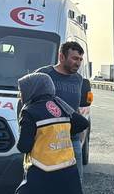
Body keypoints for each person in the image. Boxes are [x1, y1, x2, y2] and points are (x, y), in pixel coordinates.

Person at [36, 41, 86, 181]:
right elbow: (26, 103)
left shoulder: (78, 79)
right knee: (45, 184)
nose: (78, 63)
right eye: (74, 58)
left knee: (75, 184)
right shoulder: (44, 75)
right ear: (61, 57)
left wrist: (81, 134)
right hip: (47, 140)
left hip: (72, 140)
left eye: (80, 59)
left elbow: (75, 107)